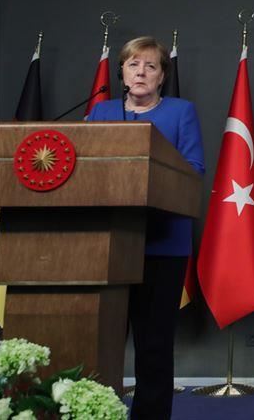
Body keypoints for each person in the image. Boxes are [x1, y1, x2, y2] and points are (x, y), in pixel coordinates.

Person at [87, 36, 205, 419]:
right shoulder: (101, 112)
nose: (141, 72)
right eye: (133, 65)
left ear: (161, 76)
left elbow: (193, 170)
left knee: (153, 344)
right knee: (101, 342)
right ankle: (96, 411)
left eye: (150, 66)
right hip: (107, 245)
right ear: (121, 73)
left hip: (162, 245)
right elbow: (83, 163)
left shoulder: (181, 112)